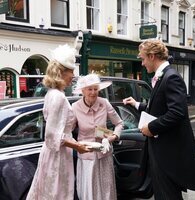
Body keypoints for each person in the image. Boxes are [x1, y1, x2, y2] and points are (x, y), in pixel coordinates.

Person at [123, 39, 195, 200]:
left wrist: (151, 127)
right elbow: (158, 108)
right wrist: (136, 104)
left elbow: (177, 112)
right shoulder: (163, 77)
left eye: (143, 59)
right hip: (161, 151)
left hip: (168, 154)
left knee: (167, 196)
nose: (142, 64)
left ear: (152, 56)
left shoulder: (171, 77)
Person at [26, 44, 90, 200]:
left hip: (58, 153)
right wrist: (77, 146)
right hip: (57, 156)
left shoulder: (54, 93)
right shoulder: (58, 96)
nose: (74, 75)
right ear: (61, 72)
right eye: (71, 71)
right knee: (56, 193)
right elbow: (52, 135)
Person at [72, 73, 124, 200]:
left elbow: (119, 123)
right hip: (86, 157)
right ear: (83, 91)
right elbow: (68, 131)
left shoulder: (104, 103)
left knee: (106, 191)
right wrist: (75, 145)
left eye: (96, 89)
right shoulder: (75, 107)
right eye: (90, 89)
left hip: (104, 155)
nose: (93, 92)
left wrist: (112, 137)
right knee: (89, 192)